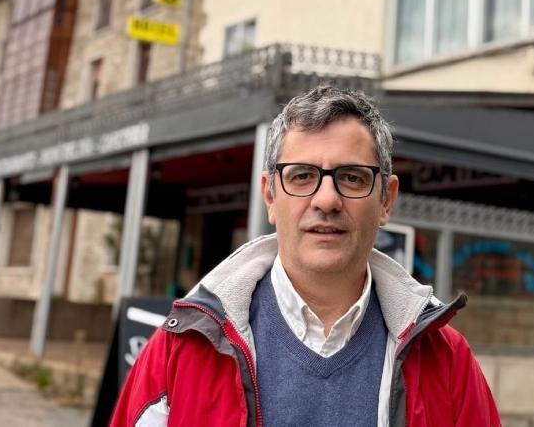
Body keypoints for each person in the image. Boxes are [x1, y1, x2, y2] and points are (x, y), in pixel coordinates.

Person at [111, 85, 500, 426]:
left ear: (386, 200)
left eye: (352, 177)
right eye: (301, 176)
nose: (327, 199)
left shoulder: (448, 361)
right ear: (269, 196)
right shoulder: (179, 349)